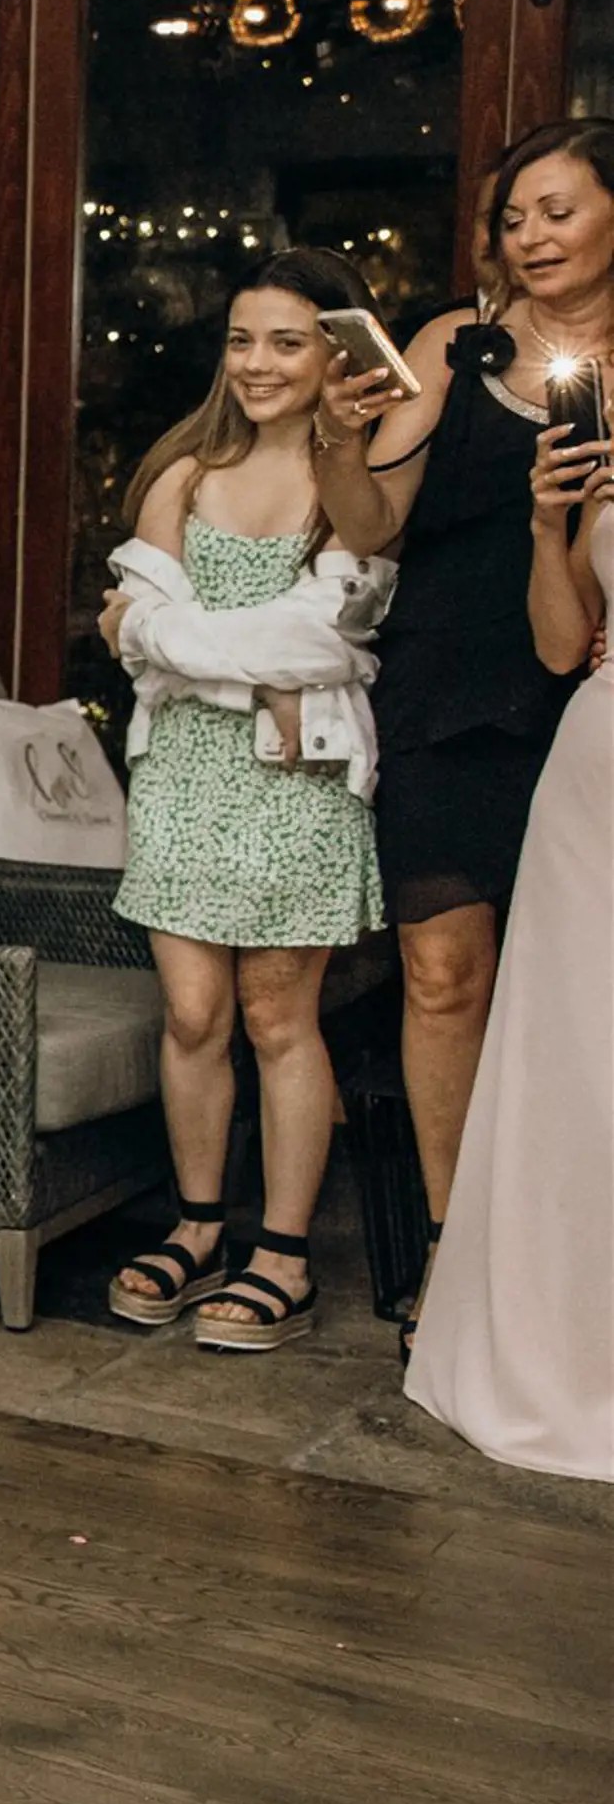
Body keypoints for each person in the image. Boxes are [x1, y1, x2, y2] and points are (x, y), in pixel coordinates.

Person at [94, 251, 401, 1352]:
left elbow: (332, 637)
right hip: (182, 775)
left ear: (334, 353)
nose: (258, 361)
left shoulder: (357, 480)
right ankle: (193, 1225)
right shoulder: (181, 470)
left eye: (285, 340)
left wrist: (212, 652)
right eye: (240, 338)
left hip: (298, 780)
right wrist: (259, 673)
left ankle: (280, 1253)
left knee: (278, 1016)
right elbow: (129, 639)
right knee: (190, 1014)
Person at [359, 118, 608, 1332]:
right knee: (442, 971)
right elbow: (368, 524)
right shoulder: (455, 343)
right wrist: (331, 434)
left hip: (586, 692)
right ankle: (454, 1253)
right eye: (513, 217)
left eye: (555, 210)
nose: (529, 236)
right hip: (446, 683)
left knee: (575, 990)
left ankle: (567, 1257)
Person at [405, 389, 610, 1476]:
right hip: (595, 771)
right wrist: (550, 523)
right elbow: (559, 642)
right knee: (573, 1065)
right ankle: (554, 1351)